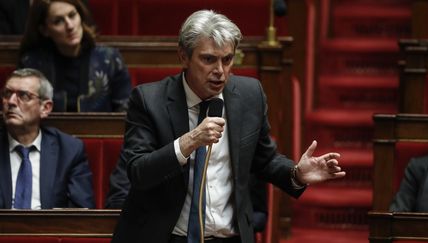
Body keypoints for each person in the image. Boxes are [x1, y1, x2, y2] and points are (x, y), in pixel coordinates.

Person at [110, 10, 345, 243]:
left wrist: (296, 173)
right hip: (167, 236)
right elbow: (138, 171)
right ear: (183, 56)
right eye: (208, 59)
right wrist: (189, 141)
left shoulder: (250, 95)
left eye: (227, 59)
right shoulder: (149, 100)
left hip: (229, 237)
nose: (220, 71)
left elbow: (264, 160)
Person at [0, 68, 95, 209]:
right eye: (7, 94)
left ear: (45, 108)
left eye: (24, 96)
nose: (12, 102)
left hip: (49, 230)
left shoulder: (69, 150)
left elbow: (81, 212)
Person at [18, 0, 131, 112]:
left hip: (102, 130)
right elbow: (22, 111)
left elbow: (125, 110)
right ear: (44, 30)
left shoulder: (109, 59)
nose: (70, 26)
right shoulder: (32, 63)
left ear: (80, 15)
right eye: (58, 21)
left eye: (72, 15)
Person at [105, 156, 269, 232]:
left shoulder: (247, 147)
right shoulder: (153, 136)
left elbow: (259, 215)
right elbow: (117, 200)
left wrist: (225, 224)